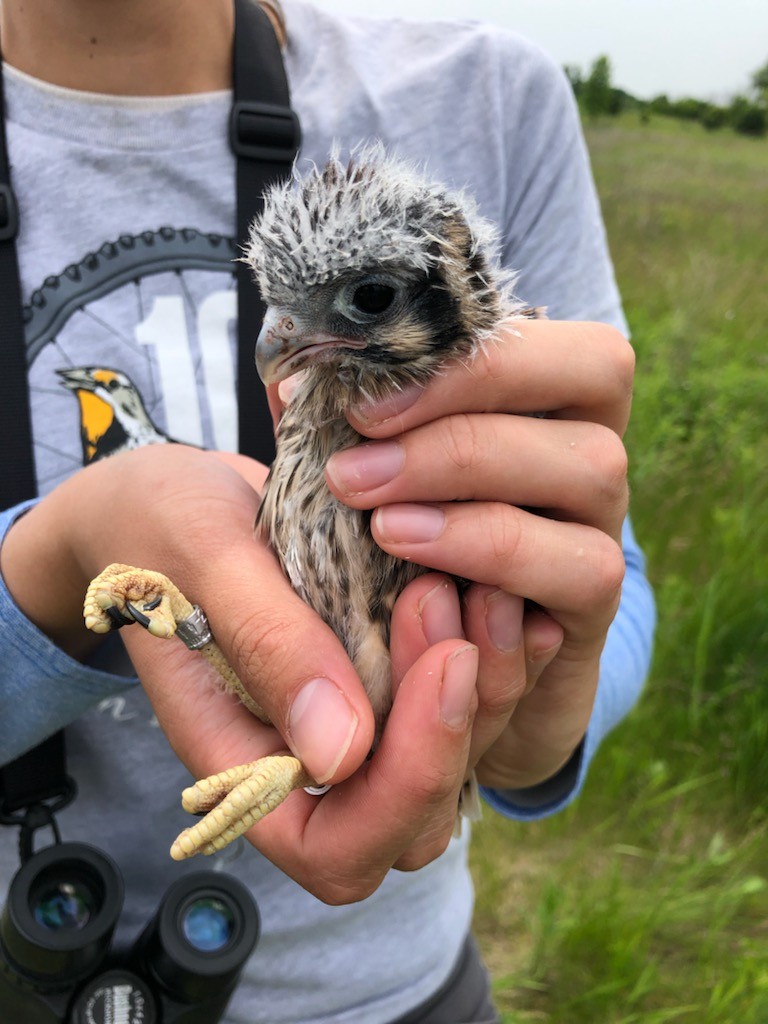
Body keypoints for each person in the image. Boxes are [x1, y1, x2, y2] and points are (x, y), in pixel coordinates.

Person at [0, 1, 655, 1021]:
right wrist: (50, 570)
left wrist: (540, 712)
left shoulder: (492, 95)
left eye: (360, 305)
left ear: (453, 297)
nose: (284, 346)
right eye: (283, 307)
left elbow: (615, 574)